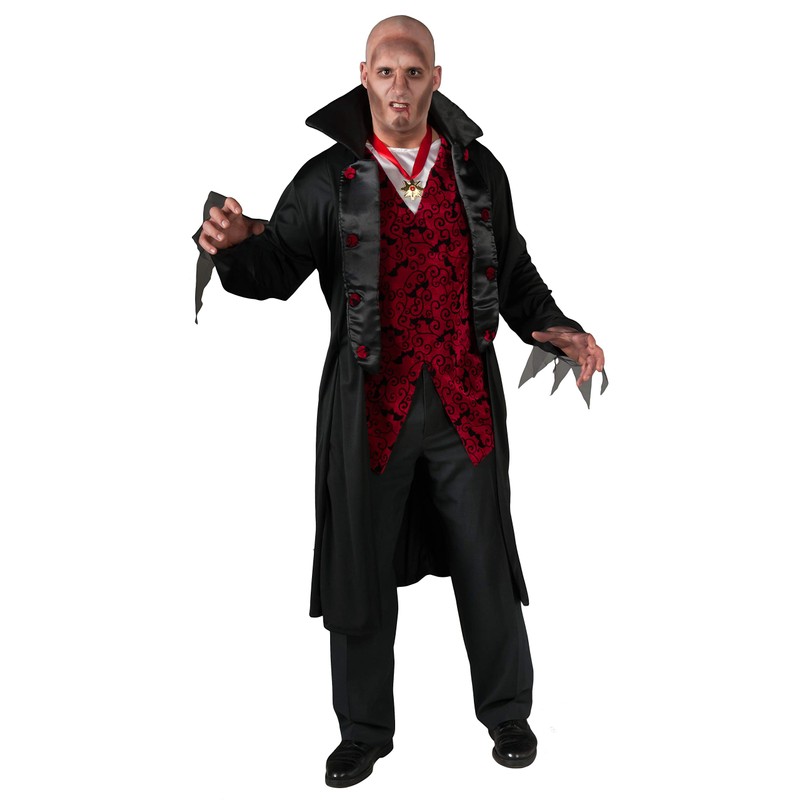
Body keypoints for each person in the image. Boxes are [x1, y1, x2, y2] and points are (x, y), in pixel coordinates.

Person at [193, 15, 605, 789]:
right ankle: (362, 732)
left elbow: (514, 274)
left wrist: (561, 330)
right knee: (358, 568)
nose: (400, 88)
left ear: (436, 79)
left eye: (414, 72)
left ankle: (508, 715)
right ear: (364, 77)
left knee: (486, 561)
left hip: (463, 407)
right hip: (369, 414)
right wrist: (232, 242)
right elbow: (274, 266)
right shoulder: (330, 178)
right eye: (386, 72)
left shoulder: (477, 171)